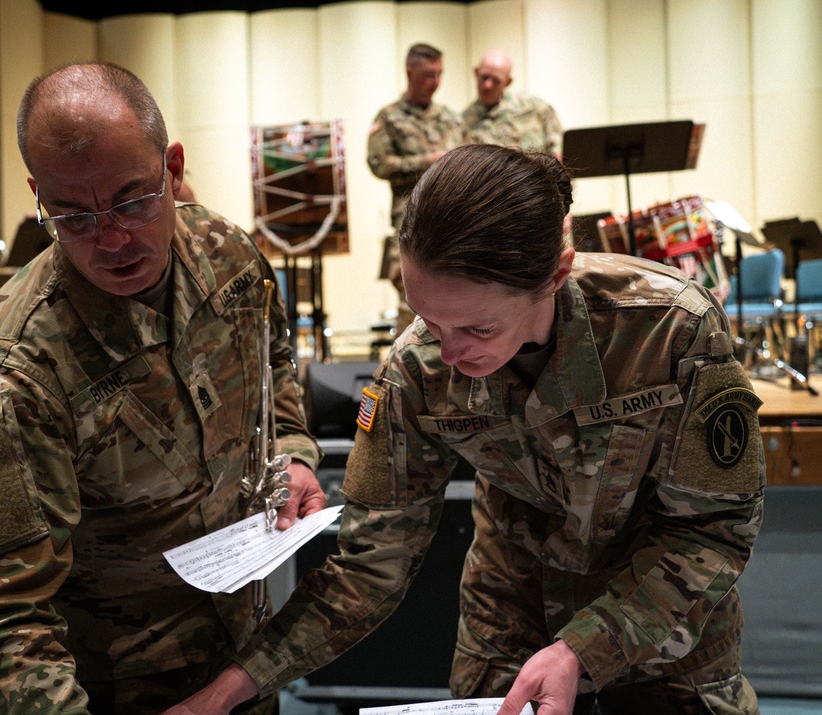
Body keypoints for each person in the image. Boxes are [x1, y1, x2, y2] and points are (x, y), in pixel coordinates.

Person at [165, 144, 765, 715]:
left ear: (555, 275)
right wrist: (229, 690)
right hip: (512, 616)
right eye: (428, 319)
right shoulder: (416, 368)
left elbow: (715, 531)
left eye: (477, 329)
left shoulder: (669, 331)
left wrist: (586, 648)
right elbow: (370, 563)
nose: (447, 353)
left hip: (665, 618)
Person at [0, 61, 326, 714]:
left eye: (132, 199)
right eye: (72, 215)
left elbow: (273, 369)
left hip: (239, 665)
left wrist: (290, 450)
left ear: (172, 168)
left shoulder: (227, 256)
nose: (110, 237)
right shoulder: (13, 368)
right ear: (38, 194)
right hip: (106, 690)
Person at [367, 42, 468, 336]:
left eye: (439, 74)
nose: (434, 82)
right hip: (411, 220)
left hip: (454, 220)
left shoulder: (451, 118)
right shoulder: (389, 117)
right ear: (409, 71)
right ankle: (404, 371)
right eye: (428, 74)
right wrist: (423, 162)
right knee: (411, 302)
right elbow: (378, 163)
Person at [463, 49, 563, 157]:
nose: (488, 85)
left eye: (496, 80)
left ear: (508, 82)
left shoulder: (535, 108)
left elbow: (558, 154)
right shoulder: (463, 122)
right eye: (484, 77)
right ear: (476, 73)